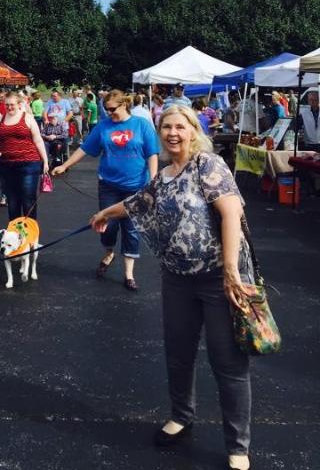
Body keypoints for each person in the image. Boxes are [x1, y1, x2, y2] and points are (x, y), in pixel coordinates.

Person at [90, 105, 253, 470]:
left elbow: (231, 214)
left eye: (180, 126)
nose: (173, 133)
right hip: (177, 279)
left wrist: (231, 272)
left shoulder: (208, 165)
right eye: (166, 127)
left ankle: (238, 446)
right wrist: (103, 214)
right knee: (178, 353)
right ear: (159, 132)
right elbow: (137, 202)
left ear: (194, 130)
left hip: (218, 280)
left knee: (227, 362)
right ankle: (181, 415)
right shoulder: (163, 175)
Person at [53, 89, 159, 291]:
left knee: (131, 229)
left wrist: (153, 181)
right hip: (109, 185)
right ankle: (109, 251)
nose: (109, 113)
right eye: (106, 109)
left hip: (136, 186)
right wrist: (65, 165)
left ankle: (129, 274)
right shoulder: (103, 127)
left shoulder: (142, 125)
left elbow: (152, 154)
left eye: (112, 109)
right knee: (107, 225)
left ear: (124, 105)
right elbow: (84, 149)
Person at [0, 91, 49, 221]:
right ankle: (14, 235)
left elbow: (38, 140)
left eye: (12, 105)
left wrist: (45, 161)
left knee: (28, 199)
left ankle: (30, 236)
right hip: (6, 165)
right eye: (7, 105)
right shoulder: (0, 119)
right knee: (12, 201)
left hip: (28, 164)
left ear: (19, 104)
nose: (9, 107)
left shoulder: (27, 118)